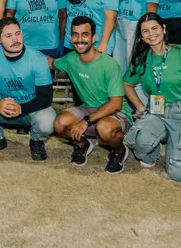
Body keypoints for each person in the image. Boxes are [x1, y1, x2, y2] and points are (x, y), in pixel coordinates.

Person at [123, 13, 181, 181]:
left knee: (179, 174)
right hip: (157, 110)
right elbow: (127, 84)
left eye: (154, 28)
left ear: (163, 28)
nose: (151, 34)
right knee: (139, 140)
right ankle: (152, 156)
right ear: (141, 37)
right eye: (145, 31)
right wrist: (140, 107)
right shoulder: (141, 59)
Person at [50, 16, 133, 174]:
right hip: (88, 108)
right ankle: (83, 145)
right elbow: (51, 63)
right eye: (75, 34)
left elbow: (116, 103)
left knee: (105, 128)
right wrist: (24, 51)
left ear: (94, 38)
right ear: (70, 37)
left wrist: (86, 121)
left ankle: (118, 151)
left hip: (116, 113)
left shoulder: (109, 64)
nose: (79, 39)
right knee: (59, 123)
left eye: (84, 34)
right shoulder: (70, 59)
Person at [0, 18, 56, 160]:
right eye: (8, 36)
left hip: (29, 107)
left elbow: (46, 97)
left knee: (48, 120)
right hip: (0, 105)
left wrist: (22, 108)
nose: (15, 39)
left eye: (18, 34)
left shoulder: (37, 58)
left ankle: (36, 141)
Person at [113, 0, 160, 104]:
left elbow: (151, 12)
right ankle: (128, 109)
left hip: (137, 28)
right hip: (119, 28)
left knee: (136, 72)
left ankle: (145, 110)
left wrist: (147, 36)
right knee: (120, 71)